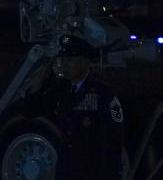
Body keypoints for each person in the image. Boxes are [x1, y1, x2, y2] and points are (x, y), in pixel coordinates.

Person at [26, 35, 126, 180]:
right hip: (67, 170)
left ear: (85, 61)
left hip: (94, 171)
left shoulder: (103, 93)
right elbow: (31, 112)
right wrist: (37, 85)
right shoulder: (61, 89)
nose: (65, 64)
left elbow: (115, 137)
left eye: (70, 60)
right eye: (63, 59)